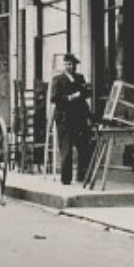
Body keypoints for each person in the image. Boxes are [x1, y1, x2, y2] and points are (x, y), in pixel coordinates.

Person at [49, 53, 93, 186]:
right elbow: (54, 98)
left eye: (71, 65)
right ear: (64, 65)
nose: (69, 67)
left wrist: (84, 92)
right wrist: (70, 97)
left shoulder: (80, 78)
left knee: (83, 146)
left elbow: (87, 93)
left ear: (74, 66)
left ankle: (82, 175)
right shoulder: (58, 79)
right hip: (64, 118)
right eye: (67, 64)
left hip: (79, 117)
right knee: (66, 149)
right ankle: (66, 179)